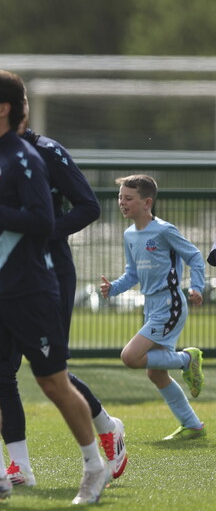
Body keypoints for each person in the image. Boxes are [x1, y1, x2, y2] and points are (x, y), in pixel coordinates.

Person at [0, 69, 106, 505]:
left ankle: (94, 467)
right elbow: (3, 226)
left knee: (54, 383)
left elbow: (41, 224)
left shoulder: (26, 158)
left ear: (2, 110)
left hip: (30, 290)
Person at [0, 103, 128, 486]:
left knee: (50, 371)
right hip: (1, 276)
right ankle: (19, 466)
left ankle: (107, 426)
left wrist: (38, 233)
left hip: (49, 273)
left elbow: (88, 206)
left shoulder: (48, 152)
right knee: (0, 371)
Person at [99, 174, 205, 440]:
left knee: (130, 357)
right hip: (151, 305)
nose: (122, 203)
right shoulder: (129, 234)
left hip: (169, 304)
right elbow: (132, 274)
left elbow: (194, 256)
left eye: (128, 198)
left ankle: (186, 359)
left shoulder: (164, 230)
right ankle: (192, 425)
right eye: (120, 197)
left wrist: (197, 287)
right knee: (156, 373)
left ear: (147, 202)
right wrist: (113, 288)